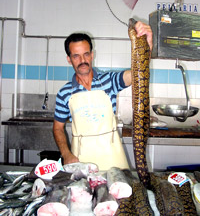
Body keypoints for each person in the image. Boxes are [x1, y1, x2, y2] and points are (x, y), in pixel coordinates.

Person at [53, 21, 153, 171]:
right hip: (81, 160)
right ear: (69, 59)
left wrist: (147, 45)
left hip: (113, 158)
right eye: (76, 56)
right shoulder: (64, 93)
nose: (82, 61)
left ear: (92, 55)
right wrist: (66, 154)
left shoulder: (109, 80)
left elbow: (137, 74)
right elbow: (58, 128)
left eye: (86, 54)